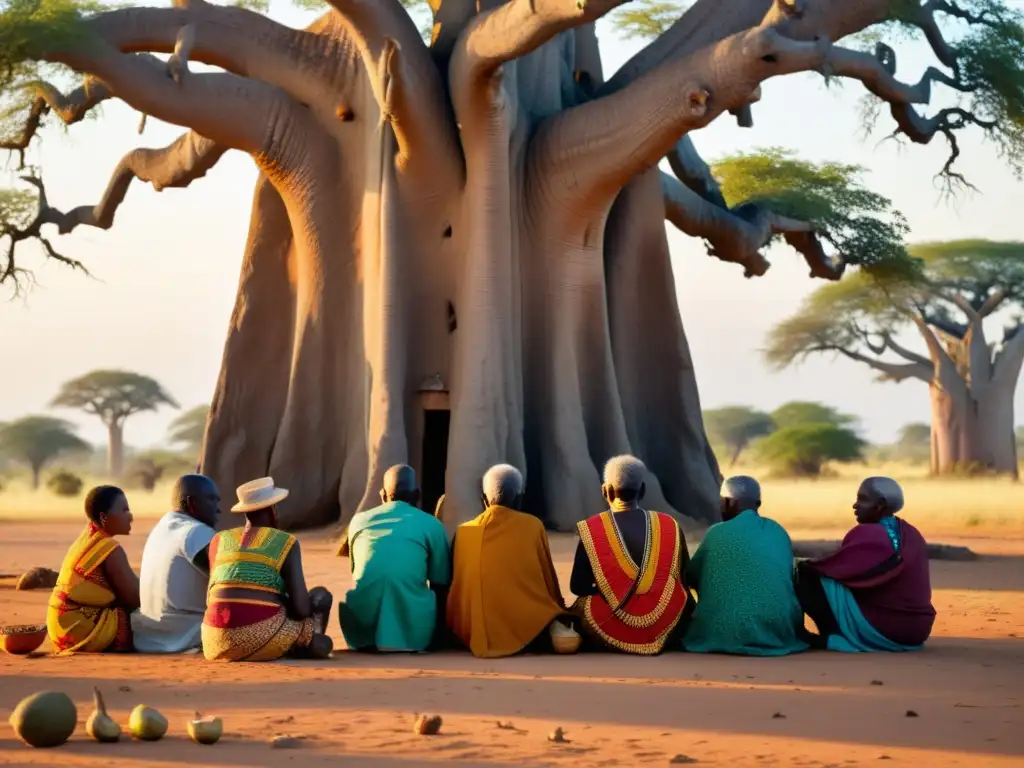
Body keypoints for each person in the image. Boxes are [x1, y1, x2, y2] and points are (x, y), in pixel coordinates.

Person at [447, 464, 575, 658]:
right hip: (524, 627)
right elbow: (548, 581)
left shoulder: (464, 531)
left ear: (484, 500)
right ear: (519, 498)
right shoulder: (533, 526)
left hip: (469, 629)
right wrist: (558, 609)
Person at [795, 477, 935, 652]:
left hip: (888, 628)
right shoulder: (910, 532)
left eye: (863, 499)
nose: (855, 505)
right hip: (918, 630)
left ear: (880, 505)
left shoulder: (868, 532)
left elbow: (835, 569)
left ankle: (833, 636)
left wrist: (803, 565)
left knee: (806, 574)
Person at [201, 477, 334, 661]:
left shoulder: (219, 540)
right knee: (321, 600)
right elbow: (301, 610)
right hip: (261, 636)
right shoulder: (285, 541)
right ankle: (304, 644)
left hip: (214, 641)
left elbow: (211, 596)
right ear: (272, 510)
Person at [569, 455, 691, 655]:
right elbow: (684, 577)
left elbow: (577, 586)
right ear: (642, 490)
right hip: (664, 623)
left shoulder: (592, 529)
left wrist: (607, 587)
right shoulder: (669, 524)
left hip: (609, 625)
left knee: (582, 605)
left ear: (605, 491)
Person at [681, 476, 808, 656]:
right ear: (758, 503)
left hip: (720, 632)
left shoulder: (716, 533)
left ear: (728, 503)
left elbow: (691, 576)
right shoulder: (778, 531)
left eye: (722, 502)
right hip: (776, 631)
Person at [338, 464, 450, 652]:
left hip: (362, 630)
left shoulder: (358, 521)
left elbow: (356, 571)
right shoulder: (432, 525)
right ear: (417, 495)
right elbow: (440, 582)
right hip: (415, 632)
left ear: (382, 495)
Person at [132, 475, 220, 653]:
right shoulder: (196, 532)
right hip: (187, 634)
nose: (218, 509)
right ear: (191, 503)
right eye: (211, 500)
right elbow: (232, 578)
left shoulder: (159, 529)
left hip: (150, 635)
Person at [47, 486, 140, 654]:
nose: (131, 517)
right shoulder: (109, 548)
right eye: (124, 510)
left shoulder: (86, 539)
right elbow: (134, 599)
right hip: (79, 629)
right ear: (104, 517)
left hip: (59, 627)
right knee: (145, 620)